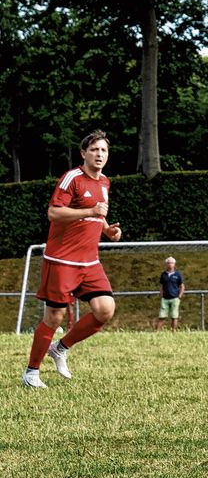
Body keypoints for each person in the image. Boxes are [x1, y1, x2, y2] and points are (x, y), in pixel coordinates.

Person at [22, 130, 123, 389]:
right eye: (94, 150)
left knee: (105, 309)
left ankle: (60, 348)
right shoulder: (72, 178)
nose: (99, 154)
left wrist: (107, 230)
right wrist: (90, 210)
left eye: (104, 150)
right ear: (83, 153)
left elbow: (97, 215)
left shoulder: (105, 182)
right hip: (62, 260)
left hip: (90, 262)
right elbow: (54, 213)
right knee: (54, 317)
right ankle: (31, 373)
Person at [154, 257, 185, 332]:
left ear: (174, 264)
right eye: (168, 263)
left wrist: (179, 296)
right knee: (162, 316)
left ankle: (173, 331)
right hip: (165, 299)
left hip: (175, 298)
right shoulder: (163, 274)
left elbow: (182, 286)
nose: (170, 264)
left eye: (171, 263)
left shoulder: (178, 274)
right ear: (166, 264)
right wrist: (161, 295)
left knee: (174, 316)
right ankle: (157, 332)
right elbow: (161, 286)